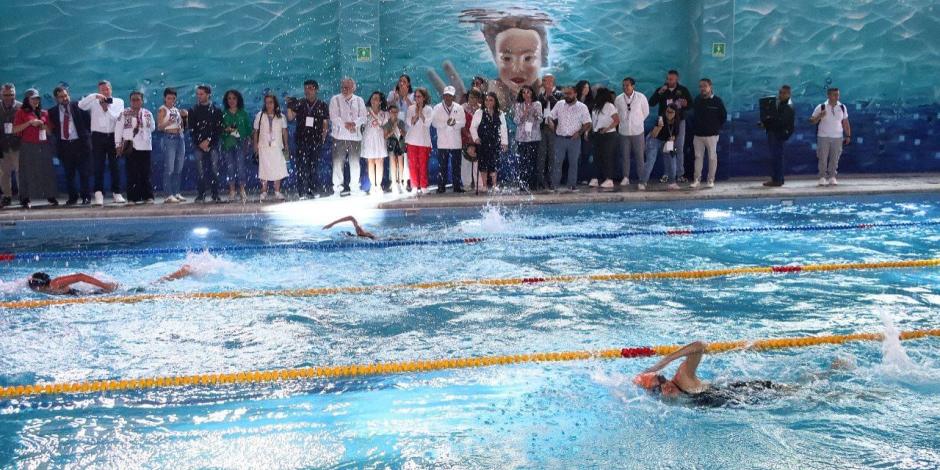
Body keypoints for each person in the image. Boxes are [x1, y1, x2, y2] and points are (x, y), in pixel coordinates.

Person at [434, 10, 552, 111]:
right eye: (507, 58)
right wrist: (462, 106)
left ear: (543, 57)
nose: (517, 68)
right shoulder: (490, 93)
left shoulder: (551, 96)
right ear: (496, 60)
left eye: (528, 58)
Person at [633, 341, 793, 408]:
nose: (665, 386)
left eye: (661, 379)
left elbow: (699, 345)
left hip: (751, 392)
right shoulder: (666, 405)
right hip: (742, 404)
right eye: (657, 389)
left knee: (798, 391)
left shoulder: (682, 379)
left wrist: (663, 362)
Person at [78, 80, 126, 205]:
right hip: (97, 136)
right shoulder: (94, 101)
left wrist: (106, 109)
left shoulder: (119, 101)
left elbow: (118, 118)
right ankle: (98, 193)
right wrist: (94, 96)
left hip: (113, 135)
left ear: (111, 89)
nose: (105, 91)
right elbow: (81, 106)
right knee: (98, 166)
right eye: (102, 90)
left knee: (114, 165)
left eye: (107, 89)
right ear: (99, 91)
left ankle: (117, 193)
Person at [12, 89, 58, 209]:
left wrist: (43, 125)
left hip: (44, 145)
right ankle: (25, 198)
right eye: (33, 98)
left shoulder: (44, 113)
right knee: (26, 172)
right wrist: (29, 123)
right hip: (28, 145)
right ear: (27, 99)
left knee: (47, 170)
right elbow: (15, 130)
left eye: (37, 98)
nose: (35, 101)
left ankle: (50, 196)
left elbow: (50, 132)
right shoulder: (21, 112)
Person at [26, 264, 196, 296]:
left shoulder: (55, 284)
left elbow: (80, 276)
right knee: (143, 288)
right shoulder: (48, 288)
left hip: (102, 290)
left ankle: (181, 273)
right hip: (95, 293)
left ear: (39, 286)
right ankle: (180, 272)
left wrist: (105, 286)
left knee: (146, 288)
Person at [48, 86, 92, 205]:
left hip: (80, 144)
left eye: (66, 95)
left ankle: (86, 197)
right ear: (56, 98)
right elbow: (52, 130)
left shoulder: (79, 107)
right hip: (65, 146)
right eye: (61, 97)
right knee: (69, 174)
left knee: (84, 173)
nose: (65, 98)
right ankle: (73, 197)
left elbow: (88, 124)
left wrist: (87, 141)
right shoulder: (52, 112)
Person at [286, 79, 329, 199]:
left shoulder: (322, 105)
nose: (307, 91)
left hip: (315, 140)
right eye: (305, 88)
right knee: (301, 167)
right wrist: (289, 105)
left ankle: (313, 190)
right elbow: (290, 118)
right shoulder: (299, 103)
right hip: (301, 140)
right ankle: (302, 192)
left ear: (316, 90)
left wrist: (323, 138)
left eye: (310, 88)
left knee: (313, 166)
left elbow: (325, 123)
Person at [648, 70, 693, 183]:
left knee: (678, 147)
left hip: (678, 122)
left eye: (671, 79)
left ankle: (680, 174)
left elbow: (691, 105)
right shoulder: (662, 89)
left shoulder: (683, 90)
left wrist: (685, 104)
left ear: (677, 79)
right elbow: (651, 103)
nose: (669, 81)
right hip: (663, 123)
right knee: (667, 148)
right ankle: (667, 173)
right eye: (667, 79)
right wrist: (659, 93)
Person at [113, 91, 155, 204]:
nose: (135, 102)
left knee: (145, 172)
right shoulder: (124, 113)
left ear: (142, 101)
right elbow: (118, 130)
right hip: (130, 146)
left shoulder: (147, 113)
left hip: (145, 146)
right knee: (131, 173)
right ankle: (132, 198)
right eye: (133, 99)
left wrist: (142, 128)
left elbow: (152, 128)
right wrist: (118, 145)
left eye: (138, 99)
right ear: (130, 101)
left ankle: (148, 196)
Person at [547, 85, 592, 192]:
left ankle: (571, 185)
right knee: (557, 162)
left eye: (569, 93)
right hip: (560, 138)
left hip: (574, 140)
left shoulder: (582, 107)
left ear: (575, 94)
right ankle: (554, 185)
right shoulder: (559, 104)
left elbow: (588, 123)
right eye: (565, 94)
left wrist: (580, 132)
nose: (566, 96)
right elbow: (550, 116)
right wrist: (550, 122)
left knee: (573, 163)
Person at [329, 78, 367, 196]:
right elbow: (333, 117)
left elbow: (364, 117)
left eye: (347, 87)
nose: (345, 89)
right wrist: (346, 125)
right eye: (343, 87)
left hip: (355, 138)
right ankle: (337, 188)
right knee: (337, 163)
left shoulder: (359, 100)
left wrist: (354, 124)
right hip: (339, 137)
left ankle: (355, 188)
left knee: (355, 163)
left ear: (353, 88)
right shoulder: (335, 99)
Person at [188, 85, 223, 203]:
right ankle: (201, 193)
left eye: (201, 94)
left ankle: (215, 193)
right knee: (200, 170)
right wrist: (200, 143)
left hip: (212, 144)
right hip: (199, 145)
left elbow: (218, 129)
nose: (199, 96)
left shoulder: (216, 110)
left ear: (208, 94)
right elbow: (192, 129)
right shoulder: (193, 110)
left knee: (214, 169)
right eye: (197, 94)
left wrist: (209, 141)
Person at [810, 87, 852, 186]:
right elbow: (812, 121)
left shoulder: (842, 107)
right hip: (823, 136)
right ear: (828, 95)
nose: (837, 97)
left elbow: (845, 122)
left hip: (838, 137)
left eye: (838, 95)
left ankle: (832, 176)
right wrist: (820, 116)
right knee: (822, 157)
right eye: (834, 95)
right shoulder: (821, 107)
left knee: (835, 158)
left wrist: (848, 135)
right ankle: (822, 177)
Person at [690, 78, 727, 189]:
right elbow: (693, 117)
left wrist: (715, 128)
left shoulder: (717, 101)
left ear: (710, 87)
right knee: (698, 157)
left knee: (712, 158)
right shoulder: (697, 100)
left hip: (712, 135)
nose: (702, 88)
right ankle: (696, 180)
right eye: (700, 86)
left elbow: (723, 117)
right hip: (698, 135)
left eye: (704, 86)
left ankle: (710, 180)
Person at [614, 77, 649, 189]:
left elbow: (646, 112)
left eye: (627, 85)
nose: (625, 87)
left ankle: (642, 180)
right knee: (625, 156)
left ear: (633, 86)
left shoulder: (641, 97)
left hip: (637, 131)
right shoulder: (619, 99)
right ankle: (625, 177)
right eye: (623, 85)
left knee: (640, 156)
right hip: (623, 131)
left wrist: (636, 121)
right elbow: (616, 114)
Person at [253, 94, 289, 201]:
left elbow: (284, 131)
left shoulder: (281, 117)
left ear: (275, 103)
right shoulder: (260, 116)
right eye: (267, 102)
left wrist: (286, 145)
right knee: (263, 169)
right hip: (263, 146)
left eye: (271, 102)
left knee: (278, 168)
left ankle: (277, 191)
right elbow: (255, 132)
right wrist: (255, 145)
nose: (269, 105)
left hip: (277, 146)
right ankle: (263, 191)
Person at [470, 92, 509, 191]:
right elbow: (473, 127)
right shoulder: (479, 112)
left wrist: (504, 143)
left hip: (495, 142)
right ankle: (484, 185)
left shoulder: (500, 113)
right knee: (483, 164)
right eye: (486, 100)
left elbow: (503, 129)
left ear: (495, 101)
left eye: (491, 100)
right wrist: (476, 138)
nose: (488, 102)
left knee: (494, 164)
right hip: (482, 143)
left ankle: (495, 185)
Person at [432, 86, 467, 193]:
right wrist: (445, 124)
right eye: (446, 95)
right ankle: (441, 187)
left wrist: (454, 123)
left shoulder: (459, 108)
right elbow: (434, 123)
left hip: (456, 141)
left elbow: (463, 122)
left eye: (450, 96)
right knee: (442, 165)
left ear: (454, 97)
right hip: (443, 141)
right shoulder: (437, 108)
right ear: (443, 96)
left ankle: (457, 186)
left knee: (456, 165)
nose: (448, 98)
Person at [760, 85, 795, 187]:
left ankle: (777, 179)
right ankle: (778, 178)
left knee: (776, 157)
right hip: (777, 132)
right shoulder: (783, 104)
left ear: (789, 94)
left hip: (778, 134)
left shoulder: (788, 106)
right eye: (780, 92)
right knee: (776, 157)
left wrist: (766, 124)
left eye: (784, 93)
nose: (781, 95)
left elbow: (780, 122)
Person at [220, 89, 252, 202]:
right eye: (229, 98)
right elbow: (220, 130)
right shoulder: (223, 114)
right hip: (228, 144)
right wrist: (226, 130)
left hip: (241, 143)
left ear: (238, 100)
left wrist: (249, 141)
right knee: (230, 167)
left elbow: (248, 129)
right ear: (226, 100)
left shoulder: (243, 113)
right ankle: (232, 190)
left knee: (241, 166)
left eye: (234, 98)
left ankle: (242, 189)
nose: (232, 101)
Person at [157, 88, 186, 203]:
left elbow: (181, 125)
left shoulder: (176, 109)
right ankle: (168, 194)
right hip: (169, 138)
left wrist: (184, 120)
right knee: (169, 168)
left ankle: (176, 192)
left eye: (173, 98)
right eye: (169, 98)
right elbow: (159, 127)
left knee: (178, 167)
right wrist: (168, 122)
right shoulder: (162, 110)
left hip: (180, 138)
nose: (171, 100)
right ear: (165, 98)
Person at [643, 105, 682, 191]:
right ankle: (643, 181)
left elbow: (675, 134)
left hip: (667, 141)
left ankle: (672, 182)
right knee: (651, 160)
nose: (669, 114)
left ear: (675, 113)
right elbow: (654, 135)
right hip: (654, 139)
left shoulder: (677, 121)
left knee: (672, 159)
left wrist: (672, 139)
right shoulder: (660, 119)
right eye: (667, 111)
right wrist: (660, 127)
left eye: (671, 112)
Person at [588, 88, 620, 189]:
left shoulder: (610, 106)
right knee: (596, 157)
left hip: (609, 135)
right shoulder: (596, 107)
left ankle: (609, 179)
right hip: (597, 133)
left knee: (607, 156)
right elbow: (593, 121)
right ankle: (595, 178)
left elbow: (616, 120)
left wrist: (606, 129)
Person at [387, 74, 414, 191]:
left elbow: (414, 108)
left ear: (408, 84)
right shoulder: (392, 94)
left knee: (405, 156)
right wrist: (396, 98)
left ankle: (406, 180)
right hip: (394, 128)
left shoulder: (412, 96)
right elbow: (388, 107)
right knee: (393, 155)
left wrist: (405, 97)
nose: (402, 83)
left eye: (404, 81)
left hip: (407, 130)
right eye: (400, 81)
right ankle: (394, 180)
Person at [513, 85, 542, 191]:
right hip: (521, 137)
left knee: (533, 161)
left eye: (528, 92)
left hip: (534, 137)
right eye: (523, 92)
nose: (526, 94)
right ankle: (522, 184)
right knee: (522, 161)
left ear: (532, 93)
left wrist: (535, 115)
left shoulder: (537, 104)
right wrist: (523, 114)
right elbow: (516, 121)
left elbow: (540, 120)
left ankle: (533, 184)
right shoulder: (518, 105)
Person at [536, 74, 562, 191]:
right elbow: (537, 108)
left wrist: (550, 96)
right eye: (544, 81)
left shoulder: (559, 94)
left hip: (553, 129)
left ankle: (552, 180)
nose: (546, 83)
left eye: (548, 81)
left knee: (552, 155)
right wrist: (544, 97)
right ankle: (540, 181)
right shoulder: (540, 95)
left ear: (552, 81)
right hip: (542, 128)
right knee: (541, 156)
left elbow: (560, 108)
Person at [405, 87, 434, 195]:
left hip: (424, 141)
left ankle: (423, 186)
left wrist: (421, 112)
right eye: (416, 96)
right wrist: (416, 113)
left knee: (423, 164)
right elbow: (409, 122)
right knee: (412, 164)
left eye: (419, 96)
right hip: (412, 140)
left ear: (424, 97)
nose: (417, 98)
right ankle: (414, 186)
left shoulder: (429, 109)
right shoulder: (411, 108)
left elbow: (427, 124)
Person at [362, 91, 388, 196]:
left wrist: (373, 114)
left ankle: (379, 185)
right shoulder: (365, 112)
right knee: (371, 162)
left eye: (376, 99)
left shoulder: (384, 114)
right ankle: (373, 185)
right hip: (369, 139)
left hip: (379, 139)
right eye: (373, 98)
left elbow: (383, 124)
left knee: (379, 162)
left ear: (380, 101)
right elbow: (362, 123)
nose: (374, 100)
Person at [0, 83, 21, 207]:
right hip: (2, 146)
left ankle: (23, 196)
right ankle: (7, 196)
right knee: (3, 173)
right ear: (1, 95)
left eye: (11, 95)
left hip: (17, 146)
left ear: (15, 94)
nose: (8, 97)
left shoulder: (21, 107)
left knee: (20, 172)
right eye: (5, 95)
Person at [461, 88, 483, 190]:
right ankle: (467, 184)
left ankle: (479, 184)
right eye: (470, 97)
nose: (471, 99)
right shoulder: (462, 108)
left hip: (478, 139)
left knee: (477, 162)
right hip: (466, 138)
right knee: (466, 162)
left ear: (478, 99)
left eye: (474, 97)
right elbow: (461, 124)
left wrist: (477, 137)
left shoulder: (482, 109)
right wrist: (468, 135)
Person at [383, 104, 408, 194]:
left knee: (401, 164)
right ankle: (394, 183)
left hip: (400, 143)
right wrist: (393, 130)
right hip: (392, 144)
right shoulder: (386, 124)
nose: (394, 114)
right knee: (393, 164)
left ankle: (401, 182)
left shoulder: (401, 122)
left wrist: (402, 131)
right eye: (392, 112)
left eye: (396, 112)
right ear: (389, 113)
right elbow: (385, 136)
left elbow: (405, 134)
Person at [575, 80, 596, 186]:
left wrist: (587, 131)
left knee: (585, 155)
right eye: (584, 88)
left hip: (586, 132)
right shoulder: (574, 101)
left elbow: (592, 119)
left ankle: (584, 177)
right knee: (574, 156)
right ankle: (574, 177)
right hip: (574, 131)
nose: (586, 90)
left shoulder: (591, 102)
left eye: (588, 88)